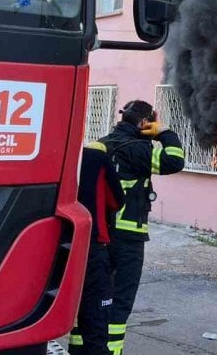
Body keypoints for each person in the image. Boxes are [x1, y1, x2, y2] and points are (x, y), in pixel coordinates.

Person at [100, 100, 185, 355]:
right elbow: (174, 160)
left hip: (98, 235)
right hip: (128, 238)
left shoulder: (102, 144)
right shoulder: (138, 150)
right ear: (144, 123)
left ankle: (84, 348)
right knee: (120, 300)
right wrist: (165, 133)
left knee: (95, 295)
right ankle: (111, 351)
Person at [69, 140, 125, 355]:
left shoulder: (51, 156)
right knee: (95, 319)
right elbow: (116, 201)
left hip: (51, 246)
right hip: (91, 247)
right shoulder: (97, 159)